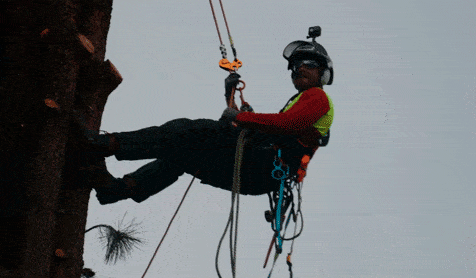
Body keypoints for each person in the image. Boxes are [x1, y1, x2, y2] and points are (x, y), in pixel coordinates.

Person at [82, 36, 334, 205]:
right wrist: (231, 99)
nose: (299, 69)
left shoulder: (317, 97)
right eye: (295, 66)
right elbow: (255, 128)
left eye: (308, 64)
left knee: (188, 131)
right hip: (257, 174)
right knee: (180, 153)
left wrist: (242, 116)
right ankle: (118, 190)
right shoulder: (299, 104)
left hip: (261, 167)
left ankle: (107, 144)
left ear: (322, 73)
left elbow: (287, 124)